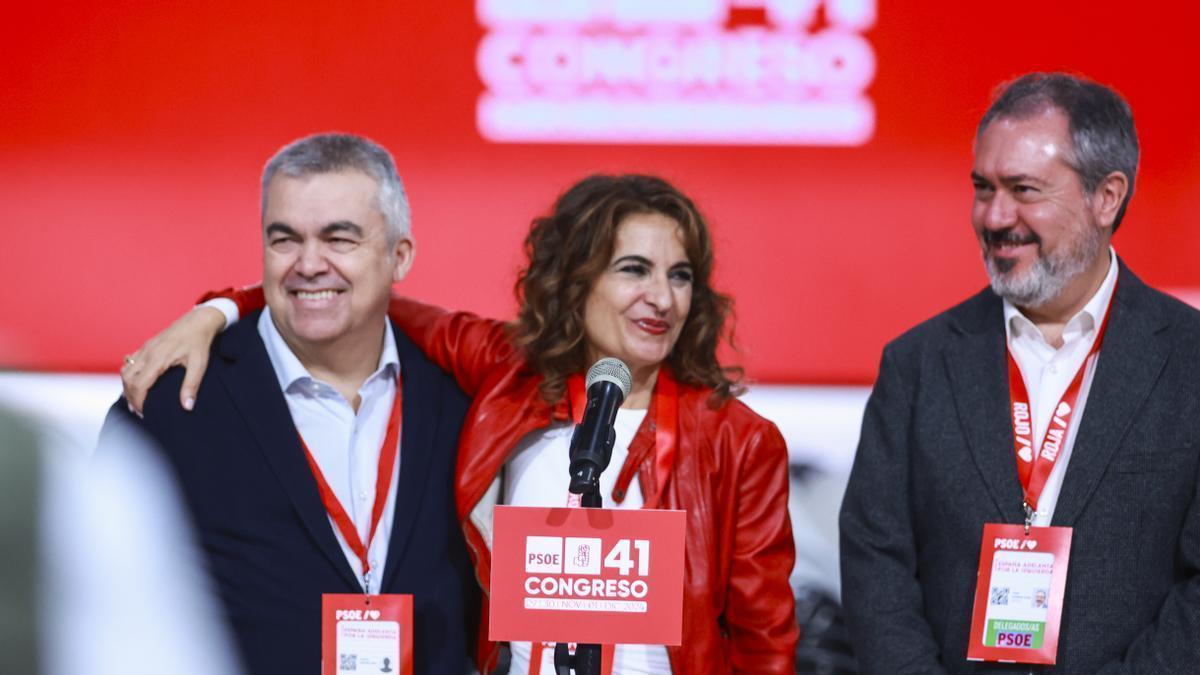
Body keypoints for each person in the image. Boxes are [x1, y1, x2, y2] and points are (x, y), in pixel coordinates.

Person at [122, 174, 800, 673]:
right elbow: (353, 293)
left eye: (679, 276)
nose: (661, 297)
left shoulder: (737, 440)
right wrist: (222, 310)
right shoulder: (507, 374)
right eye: (634, 270)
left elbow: (766, 640)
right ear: (578, 278)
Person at [839, 72, 1200, 673]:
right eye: (983, 187)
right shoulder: (918, 364)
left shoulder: (1189, 362)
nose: (995, 215)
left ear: (1107, 197)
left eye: (1024, 189)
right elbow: (876, 561)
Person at [103, 133, 478, 674]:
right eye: (284, 240)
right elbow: (101, 608)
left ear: (400, 257)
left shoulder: (463, 404)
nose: (308, 264)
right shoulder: (170, 403)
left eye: (339, 239)